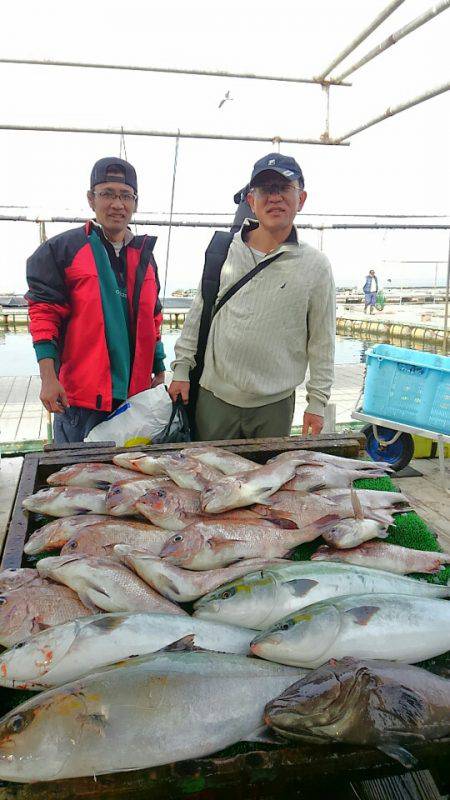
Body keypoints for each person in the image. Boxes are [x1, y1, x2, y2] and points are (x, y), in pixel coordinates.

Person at [169, 152, 335, 441]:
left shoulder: (316, 266)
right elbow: (199, 312)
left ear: (301, 199)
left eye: (284, 189)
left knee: (265, 481)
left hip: (275, 405)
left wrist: (317, 403)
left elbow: (322, 340)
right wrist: (182, 370)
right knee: (209, 479)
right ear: (251, 201)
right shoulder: (223, 251)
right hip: (215, 397)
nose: (275, 198)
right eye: (265, 190)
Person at [26, 157, 165, 444]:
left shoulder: (145, 256)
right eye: (108, 194)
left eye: (126, 196)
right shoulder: (63, 249)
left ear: (135, 203)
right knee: (78, 481)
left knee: (129, 482)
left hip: (134, 398)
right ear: (91, 199)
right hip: (80, 402)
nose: (117, 204)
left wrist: (160, 368)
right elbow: (44, 316)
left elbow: (154, 317)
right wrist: (48, 378)